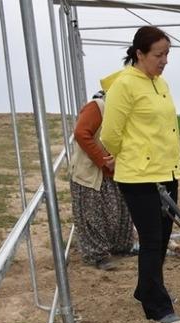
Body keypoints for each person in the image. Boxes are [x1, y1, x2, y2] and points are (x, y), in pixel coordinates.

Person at [101, 26, 180, 323]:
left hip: (167, 170)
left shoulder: (160, 83)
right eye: (158, 55)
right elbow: (110, 133)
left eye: (167, 55)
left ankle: (146, 288)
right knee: (150, 239)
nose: (164, 61)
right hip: (138, 176)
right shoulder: (125, 85)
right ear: (140, 54)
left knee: (162, 239)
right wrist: (131, 155)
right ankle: (156, 306)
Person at [70, 81, 134, 271]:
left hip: (114, 172)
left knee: (118, 212)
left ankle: (121, 247)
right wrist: (102, 159)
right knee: (93, 214)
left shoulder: (125, 113)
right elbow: (81, 133)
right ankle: (98, 255)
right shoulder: (98, 107)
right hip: (91, 173)